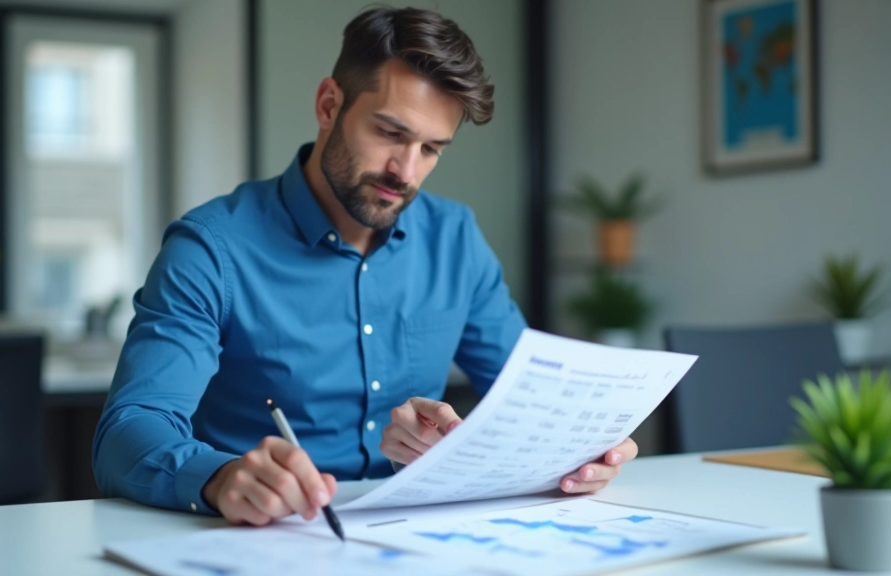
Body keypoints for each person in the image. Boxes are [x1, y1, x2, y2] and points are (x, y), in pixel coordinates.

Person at [93, 6, 637, 526]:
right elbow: (127, 431)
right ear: (330, 105)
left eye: (431, 148)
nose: (405, 171)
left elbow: (531, 399)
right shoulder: (211, 248)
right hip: (265, 540)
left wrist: (583, 448)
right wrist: (220, 476)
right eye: (390, 133)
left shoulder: (455, 239)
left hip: (417, 539)